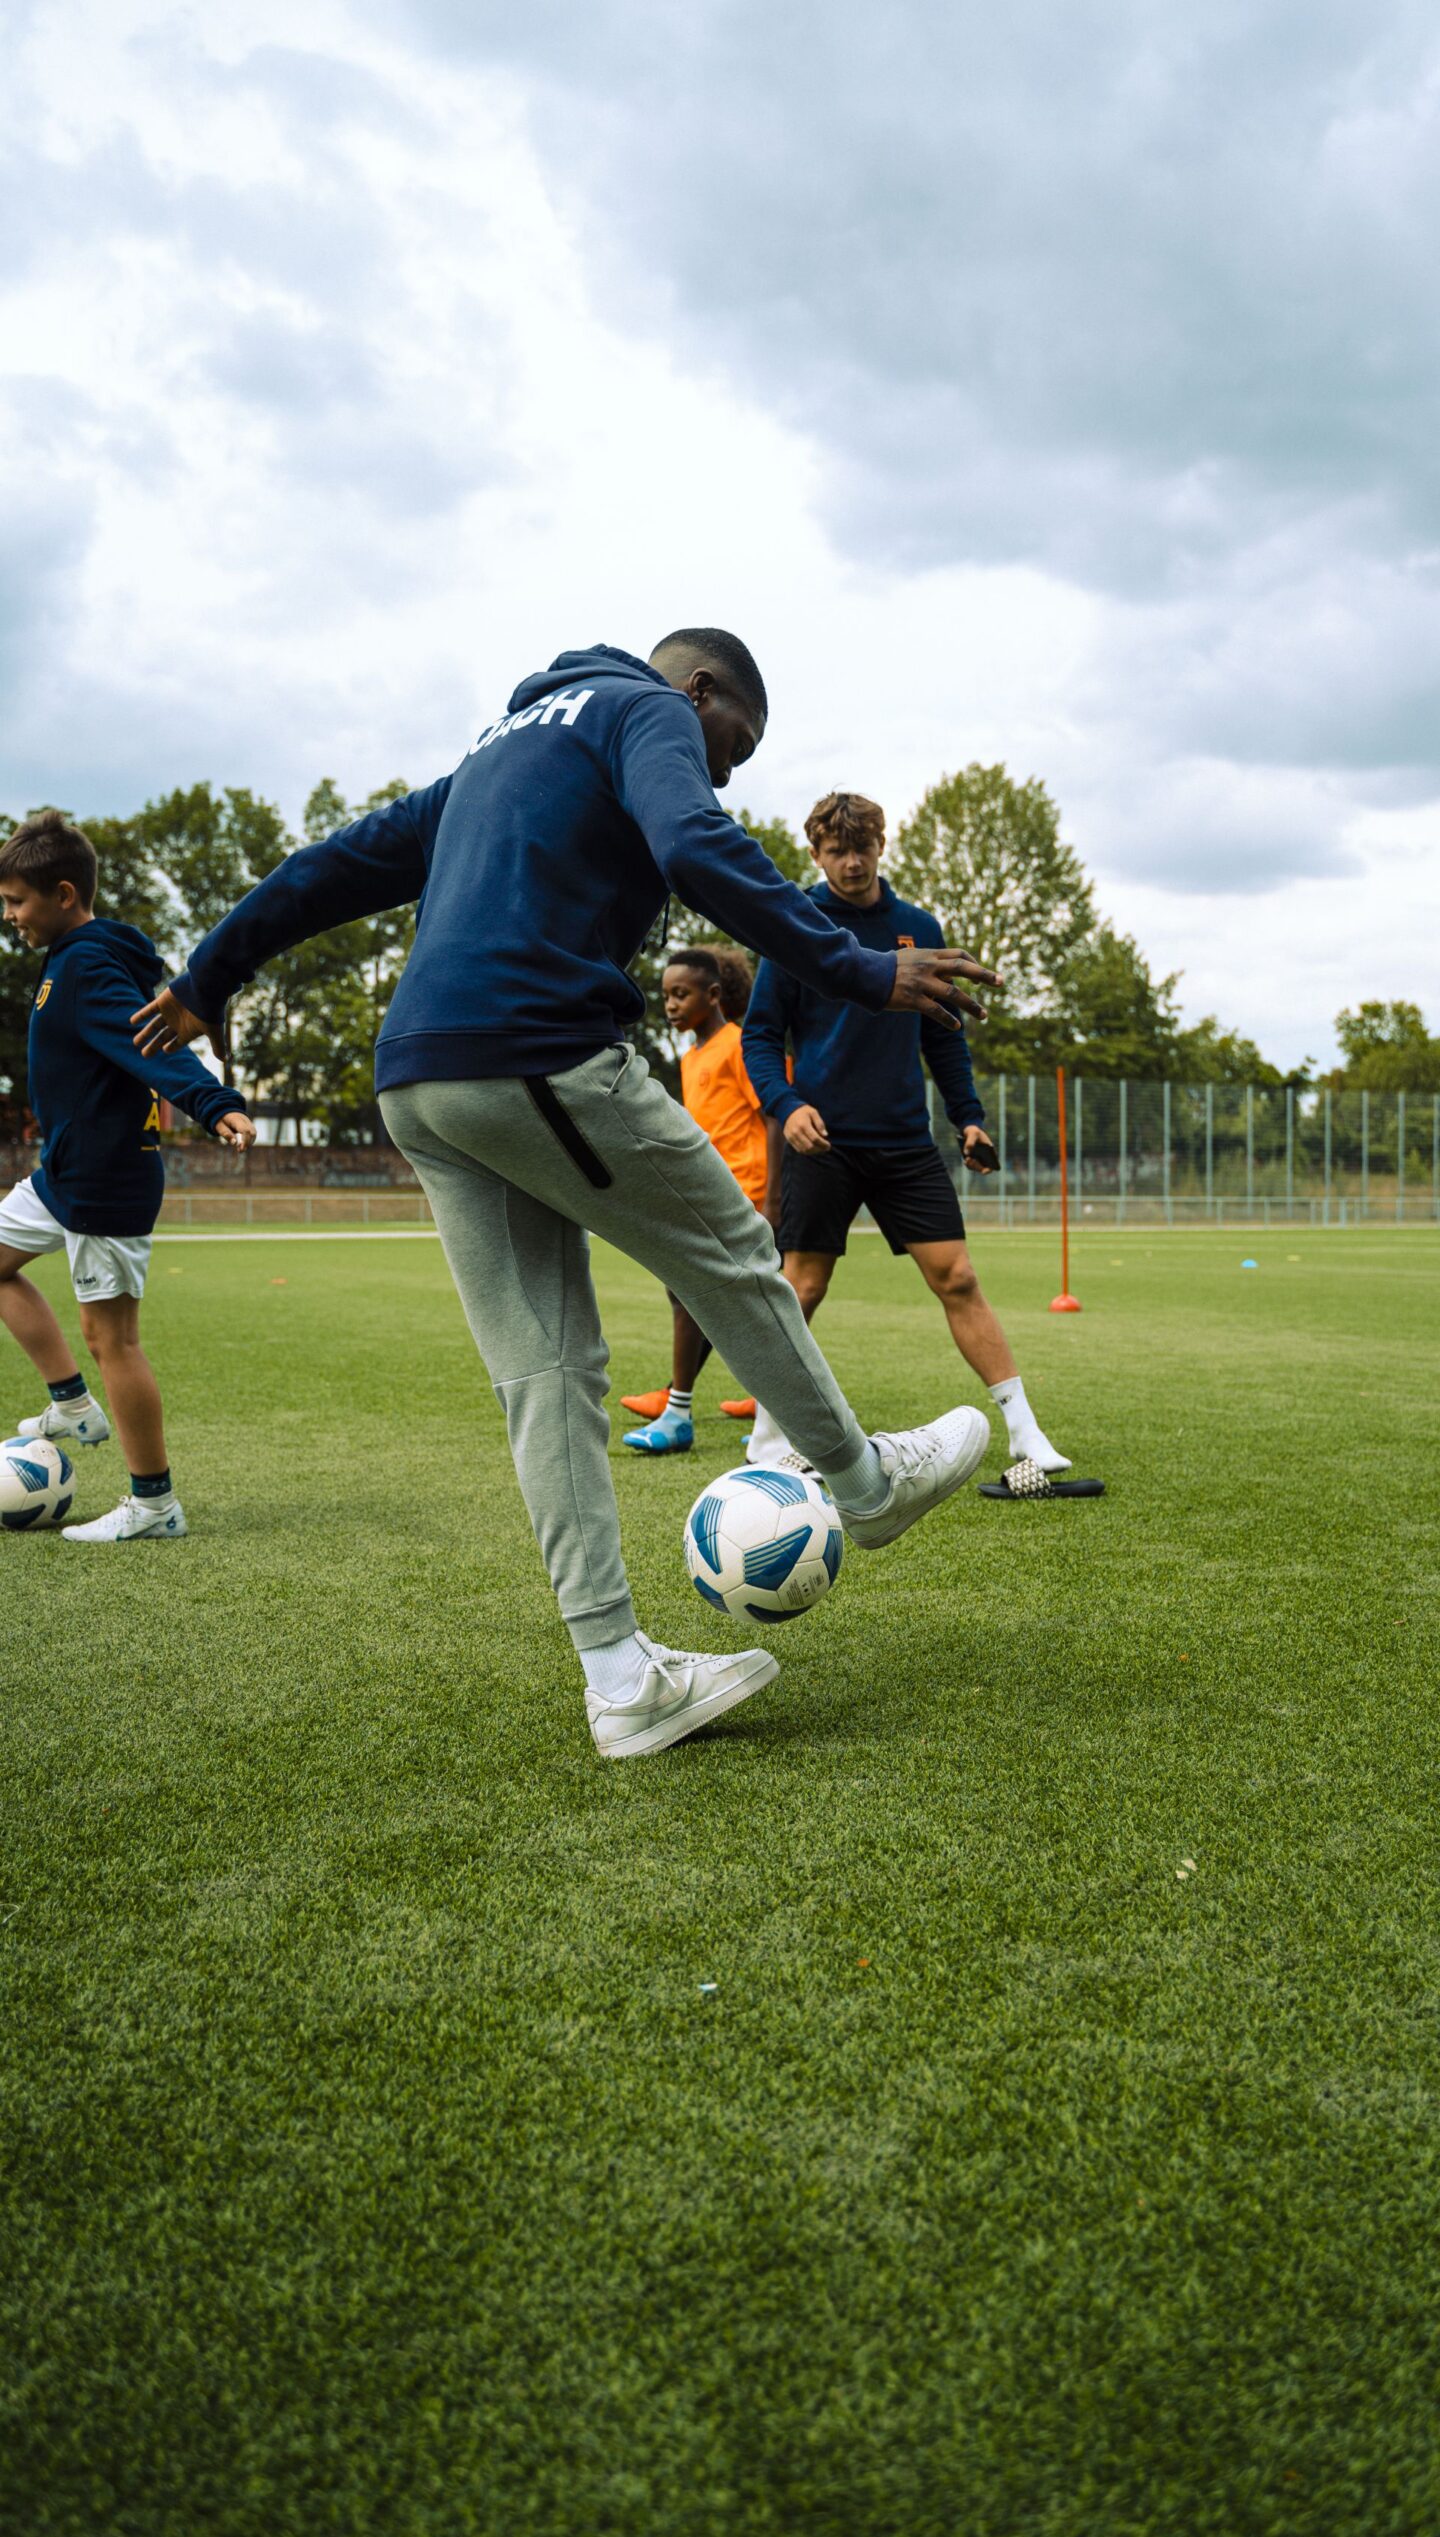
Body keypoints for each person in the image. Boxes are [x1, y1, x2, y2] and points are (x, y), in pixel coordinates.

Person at [132, 633, 1001, 1758]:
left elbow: (332, 865)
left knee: (544, 1373)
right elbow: (693, 839)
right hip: (533, 1053)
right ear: (700, 691)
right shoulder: (644, 712)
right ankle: (866, 1486)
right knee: (734, 1254)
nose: (724, 770)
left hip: (421, 1083)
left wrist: (207, 977)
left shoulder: (496, 750)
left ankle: (621, 1681)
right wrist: (862, 967)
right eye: (735, 745)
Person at [741, 790, 1071, 1475]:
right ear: (816, 853)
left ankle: (1025, 1432)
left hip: (903, 1142)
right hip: (821, 1140)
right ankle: (769, 1438)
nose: (852, 863)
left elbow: (944, 1037)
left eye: (862, 848)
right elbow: (761, 1037)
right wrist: (786, 1104)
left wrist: (969, 1117)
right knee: (802, 1289)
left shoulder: (917, 928)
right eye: (837, 851)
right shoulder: (794, 925)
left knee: (958, 1277)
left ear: (881, 846)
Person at [0, 813, 255, 1542]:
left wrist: (215, 1103)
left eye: (17, 901)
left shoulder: (86, 964)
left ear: (64, 894)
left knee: (112, 1338)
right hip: (64, 1171)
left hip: (104, 1179)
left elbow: (153, 1043)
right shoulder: (69, 958)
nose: (10, 916)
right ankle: (71, 1403)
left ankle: (153, 1505)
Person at [620, 944, 779, 1452]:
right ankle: (769, 1407)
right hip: (708, 1193)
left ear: (713, 995)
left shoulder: (741, 1045)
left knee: (700, 1293)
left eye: (681, 994)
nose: (670, 1005)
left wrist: (775, 1199)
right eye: (665, 995)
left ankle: (679, 1412)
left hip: (748, 1194)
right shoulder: (691, 1058)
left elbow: (773, 1116)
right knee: (714, 1298)